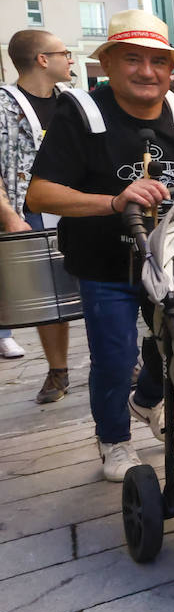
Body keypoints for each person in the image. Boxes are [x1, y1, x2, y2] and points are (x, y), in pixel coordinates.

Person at [26, 10, 174, 481]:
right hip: (105, 263)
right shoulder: (82, 113)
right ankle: (112, 441)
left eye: (158, 61)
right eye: (132, 58)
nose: (147, 71)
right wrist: (115, 201)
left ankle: (147, 400)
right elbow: (40, 194)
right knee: (114, 356)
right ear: (107, 62)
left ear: (171, 69)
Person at [0, 30, 73, 401]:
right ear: (43, 59)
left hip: (76, 205)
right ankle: (58, 370)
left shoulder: (72, 102)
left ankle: (125, 363)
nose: (71, 59)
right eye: (65, 53)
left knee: (96, 285)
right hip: (32, 211)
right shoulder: (2, 105)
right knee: (49, 298)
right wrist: (10, 215)